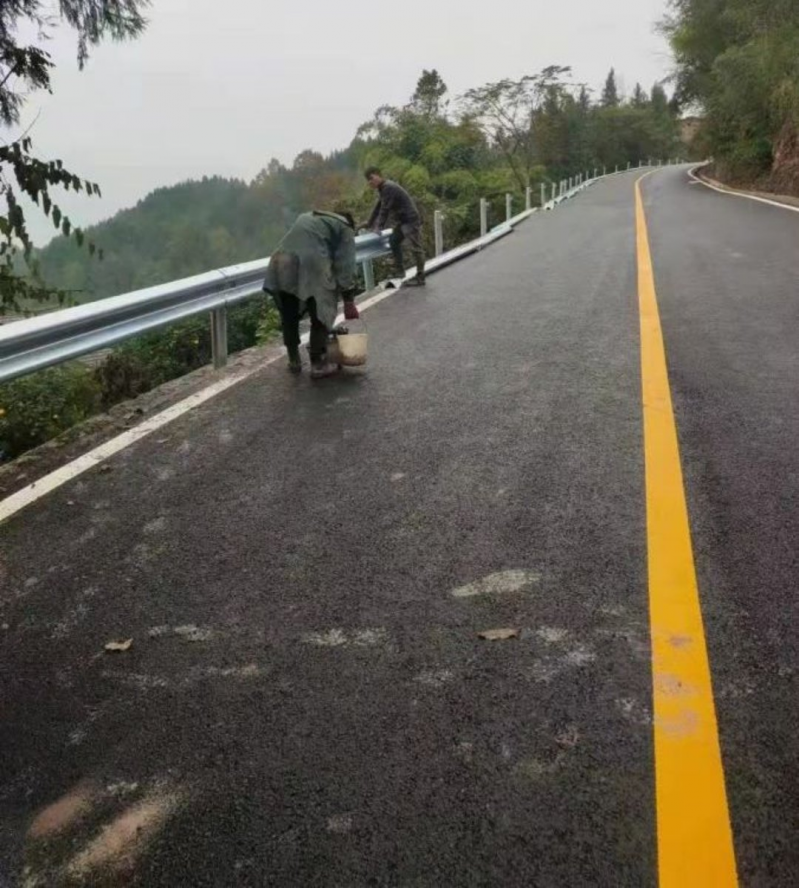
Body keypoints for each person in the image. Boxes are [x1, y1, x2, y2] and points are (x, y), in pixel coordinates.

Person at [262, 209, 360, 379]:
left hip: (281, 261)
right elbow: (346, 266)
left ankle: (294, 360)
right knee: (321, 310)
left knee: (289, 312)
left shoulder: (308, 216)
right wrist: (349, 300)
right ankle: (319, 363)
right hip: (312, 264)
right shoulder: (345, 228)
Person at [362, 167, 426, 287]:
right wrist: (369, 223)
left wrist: (379, 226)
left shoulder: (388, 187)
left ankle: (420, 277)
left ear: (378, 175)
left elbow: (384, 209)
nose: (370, 182)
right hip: (403, 221)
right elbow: (378, 207)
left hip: (410, 220)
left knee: (416, 248)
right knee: (393, 240)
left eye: (371, 178)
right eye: (368, 180)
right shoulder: (383, 189)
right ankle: (400, 272)